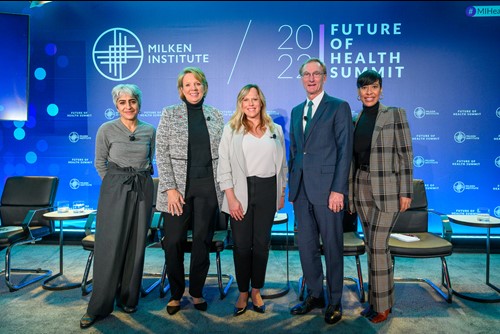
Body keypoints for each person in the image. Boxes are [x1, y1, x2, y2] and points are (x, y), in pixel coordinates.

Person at [80, 84, 156, 329]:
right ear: (116, 106)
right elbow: (100, 162)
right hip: (115, 187)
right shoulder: (106, 129)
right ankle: (99, 306)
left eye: (132, 101)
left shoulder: (149, 131)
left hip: (143, 187)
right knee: (109, 246)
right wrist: (115, 184)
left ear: (139, 103)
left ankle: (128, 298)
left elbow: (149, 159)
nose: (128, 106)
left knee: (136, 244)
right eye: (122, 102)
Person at [288, 58, 354, 325]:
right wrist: (293, 185)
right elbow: (295, 151)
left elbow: (344, 151)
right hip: (301, 191)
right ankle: (315, 295)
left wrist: (338, 190)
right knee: (306, 247)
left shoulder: (338, 107)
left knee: (332, 247)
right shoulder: (296, 111)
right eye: (306, 74)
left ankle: (335, 300)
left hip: (329, 192)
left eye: (317, 74)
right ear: (301, 78)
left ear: (325, 77)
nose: (311, 78)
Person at [155, 67, 224, 315]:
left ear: (204, 87)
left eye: (197, 84)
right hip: (178, 191)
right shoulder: (170, 114)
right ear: (181, 90)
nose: (193, 88)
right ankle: (175, 294)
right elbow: (161, 153)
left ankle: (196, 292)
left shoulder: (215, 115)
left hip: (208, 187)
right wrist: (171, 188)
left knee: (202, 243)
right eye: (188, 85)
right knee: (173, 241)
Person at [348, 69, 413, 323]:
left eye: (373, 87)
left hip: (387, 190)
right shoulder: (356, 118)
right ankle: (374, 301)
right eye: (364, 88)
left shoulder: (395, 114)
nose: (369, 92)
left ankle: (384, 306)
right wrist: (351, 195)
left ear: (381, 89)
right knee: (371, 247)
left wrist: (406, 192)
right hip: (361, 187)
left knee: (378, 246)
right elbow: (353, 159)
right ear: (358, 92)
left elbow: (406, 156)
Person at [217, 84, 287, 316]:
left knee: (261, 245)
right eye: (246, 99)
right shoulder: (231, 129)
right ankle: (243, 291)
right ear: (240, 104)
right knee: (241, 246)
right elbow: (223, 165)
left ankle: (256, 290)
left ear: (261, 102)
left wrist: (281, 192)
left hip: (268, 191)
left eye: (254, 99)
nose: (250, 103)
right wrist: (231, 197)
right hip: (240, 191)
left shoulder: (274, 128)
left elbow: (282, 165)